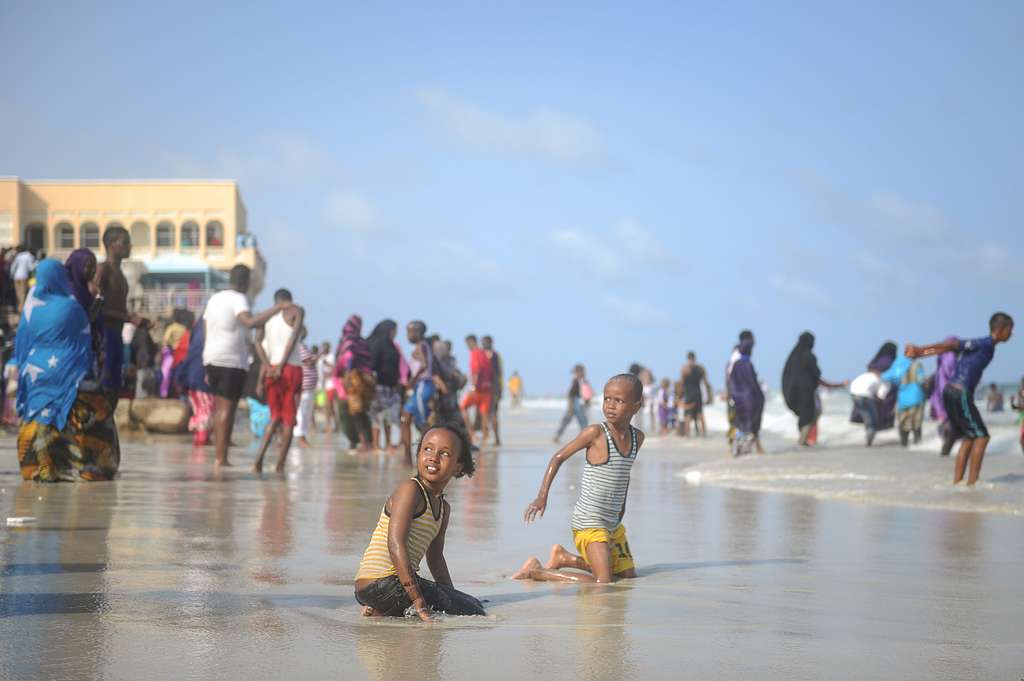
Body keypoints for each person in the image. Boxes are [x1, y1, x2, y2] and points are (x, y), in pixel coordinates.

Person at [513, 374, 645, 583]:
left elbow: (624, 474)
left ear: (636, 406)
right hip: (589, 521)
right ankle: (537, 571)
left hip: (613, 522)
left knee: (627, 575)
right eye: (606, 399)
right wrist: (541, 496)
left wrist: (623, 506)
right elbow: (558, 457)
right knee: (603, 582)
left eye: (618, 401)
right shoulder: (596, 433)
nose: (610, 405)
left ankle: (563, 557)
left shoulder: (637, 438)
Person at [354, 423, 485, 619]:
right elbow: (395, 543)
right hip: (380, 582)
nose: (433, 456)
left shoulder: (443, 508)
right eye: (427, 449)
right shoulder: (411, 490)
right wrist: (418, 601)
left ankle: (379, 609)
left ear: (459, 467)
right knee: (474, 610)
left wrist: (452, 596)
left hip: (392, 584)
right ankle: (380, 608)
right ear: (418, 455)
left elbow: (435, 558)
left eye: (445, 453)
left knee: (471, 604)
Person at [15, 260, 119, 481]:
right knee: (95, 413)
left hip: (35, 374)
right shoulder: (70, 306)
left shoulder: (30, 306)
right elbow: (83, 340)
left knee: (38, 418)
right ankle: (91, 468)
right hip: (68, 371)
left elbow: (22, 341)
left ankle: (39, 467)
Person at [905, 312, 1014, 485]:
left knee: (969, 436)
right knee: (982, 437)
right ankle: (972, 484)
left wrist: (921, 352)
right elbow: (952, 345)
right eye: (1010, 330)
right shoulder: (985, 343)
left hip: (952, 391)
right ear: (1001, 330)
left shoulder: (988, 346)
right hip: (960, 391)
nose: (1011, 334)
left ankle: (958, 483)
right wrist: (921, 351)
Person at [202, 265, 287, 467]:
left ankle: (220, 456)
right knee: (227, 408)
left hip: (212, 357)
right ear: (246, 281)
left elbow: (206, 327)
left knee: (220, 408)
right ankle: (221, 459)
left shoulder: (215, 299)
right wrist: (277, 308)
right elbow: (249, 322)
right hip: (230, 360)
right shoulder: (238, 298)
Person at [252, 288, 305, 473]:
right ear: (289, 299)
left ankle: (258, 461)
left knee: (275, 417)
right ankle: (280, 465)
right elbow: (293, 337)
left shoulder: (266, 316)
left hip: (271, 370)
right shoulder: (297, 310)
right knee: (289, 420)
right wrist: (282, 365)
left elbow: (257, 343)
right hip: (290, 368)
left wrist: (268, 366)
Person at [94, 227, 149, 403]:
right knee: (103, 387)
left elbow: (118, 309)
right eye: (125, 242)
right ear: (111, 245)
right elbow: (94, 308)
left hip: (117, 336)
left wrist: (138, 321)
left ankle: (108, 427)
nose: (129, 246)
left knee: (115, 388)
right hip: (105, 336)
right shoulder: (103, 270)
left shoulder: (121, 276)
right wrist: (129, 318)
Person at [782, 332, 846, 446]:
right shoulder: (809, 356)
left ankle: (804, 441)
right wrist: (837, 385)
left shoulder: (792, 357)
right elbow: (816, 373)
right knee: (809, 415)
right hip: (805, 393)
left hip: (791, 392)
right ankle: (802, 441)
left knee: (804, 416)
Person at [336, 314, 375, 452]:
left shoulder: (347, 341)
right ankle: (364, 442)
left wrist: (346, 377)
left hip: (351, 380)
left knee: (352, 412)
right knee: (361, 412)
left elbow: (347, 359)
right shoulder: (362, 342)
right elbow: (369, 361)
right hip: (365, 380)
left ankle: (360, 442)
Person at [401, 320, 437, 466]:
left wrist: (412, 380)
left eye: (411, 331)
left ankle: (428, 458)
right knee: (405, 419)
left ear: (420, 333)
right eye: (407, 331)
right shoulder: (421, 346)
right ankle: (408, 458)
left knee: (424, 425)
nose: (408, 335)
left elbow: (424, 365)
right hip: (420, 387)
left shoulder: (421, 346)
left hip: (423, 385)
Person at [178, 314, 213, 446]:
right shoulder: (209, 335)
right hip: (203, 378)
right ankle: (202, 441)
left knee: (200, 411)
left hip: (192, 378)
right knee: (206, 411)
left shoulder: (197, 331)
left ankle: (201, 441)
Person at [728, 331, 765, 456]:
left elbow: (731, 380)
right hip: (749, 400)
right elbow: (752, 384)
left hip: (737, 399)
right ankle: (745, 450)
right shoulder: (746, 364)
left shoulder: (736, 363)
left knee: (739, 425)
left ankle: (736, 449)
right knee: (750, 426)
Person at [368, 320, 402, 450]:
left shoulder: (391, 345)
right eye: (394, 330)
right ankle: (376, 445)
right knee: (376, 416)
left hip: (391, 387)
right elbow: (373, 365)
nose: (395, 333)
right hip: (379, 386)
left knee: (389, 416)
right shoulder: (378, 344)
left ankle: (388, 444)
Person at [851, 342, 899, 432]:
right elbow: (888, 375)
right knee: (879, 413)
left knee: (869, 414)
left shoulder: (876, 360)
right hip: (883, 388)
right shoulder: (889, 360)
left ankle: (871, 432)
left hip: (871, 388)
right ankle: (874, 430)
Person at [883, 355, 928, 446]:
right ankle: (917, 443)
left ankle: (904, 442)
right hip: (916, 396)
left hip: (902, 398)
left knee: (903, 420)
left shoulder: (898, 365)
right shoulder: (917, 365)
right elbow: (921, 380)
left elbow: (886, 377)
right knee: (916, 421)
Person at [929, 336, 960, 457]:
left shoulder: (942, 356)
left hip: (941, 393)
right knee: (952, 424)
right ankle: (945, 452)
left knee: (948, 422)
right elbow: (952, 374)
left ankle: (944, 451)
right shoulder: (951, 357)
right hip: (949, 393)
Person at [460, 335, 493, 446]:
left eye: (467, 344)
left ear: (471, 342)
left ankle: (471, 434)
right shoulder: (484, 353)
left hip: (478, 389)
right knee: (484, 413)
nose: (467, 346)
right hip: (487, 389)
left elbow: (476, 370)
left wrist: (473, 387)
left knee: (463, 407)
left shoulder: (474, 353)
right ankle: (485, 437)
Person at [679, 352, 713, 437]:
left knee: (687, 414)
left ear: (687, 358)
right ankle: (703, 433)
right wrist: (709, 396)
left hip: (689, 393)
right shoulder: (701, 368)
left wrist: (679, 396)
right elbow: (706, 383)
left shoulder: (684, 369)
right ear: (695, 358)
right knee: (700, 413)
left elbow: (682, 383)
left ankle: (687, 434)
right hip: (698, 393)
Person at [293, 331, 318, 447]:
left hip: (309, 387)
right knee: (302, 412)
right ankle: (300, 437)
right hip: (304, 386)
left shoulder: (302, 346)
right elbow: (308, 362)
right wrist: (319, 355)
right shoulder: (300, 346)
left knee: (306, 412)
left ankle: (302, 436)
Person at [554, 364, 590, 442]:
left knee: (581, 422)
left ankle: (586, 438)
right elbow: (570, 395)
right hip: (575, 403)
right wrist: (570, 407)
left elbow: (587, 394)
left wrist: (587, 403)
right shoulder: (576, 381)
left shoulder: (583, 381)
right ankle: (557, 436)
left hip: (579, 404)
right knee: (581, 421)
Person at [849, 368, 885, 446]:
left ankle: (868, 433)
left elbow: (853, 385)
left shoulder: (863, 376)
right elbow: (881, 395)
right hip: (866, 396)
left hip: (854, 395)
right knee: (873, 417)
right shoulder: (878, 379)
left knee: (865, 414)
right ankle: (870, 436)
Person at [160, 309, 189, 398]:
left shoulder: (171, 327)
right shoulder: (184, 328)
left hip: (170, 352)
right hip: (181, 354)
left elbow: (165, 339)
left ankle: (163, 394)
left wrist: (170, 344)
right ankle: (179, 394)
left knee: (166, 374)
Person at [482, 335, 503, 445]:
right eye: (483, 342)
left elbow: (497, 374)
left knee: (491, 414)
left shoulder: (493, 355)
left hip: (491, 390)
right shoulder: (486, 355)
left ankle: (495, 438)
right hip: (485, 389)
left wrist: (498, 390)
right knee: (486, 414)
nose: (483, 344)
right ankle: (489, 437)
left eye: (485, 342)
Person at [315, 341, 336, 433]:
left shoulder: (332, 357)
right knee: (324, 407)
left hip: (331, 385)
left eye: (325, 348)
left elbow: (335, 369)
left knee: (329, 406)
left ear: (328, 348)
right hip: (321, 385)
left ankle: (329, 426)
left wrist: (327, 364)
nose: (323, 349)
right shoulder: (321, 358)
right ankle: (334, 425)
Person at [10, 245, 35, 313]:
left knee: (18, 293)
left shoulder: (19, 256)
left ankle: (19, 308)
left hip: (16, 276)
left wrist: (11, 275)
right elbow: (31, 267)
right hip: (24, 276)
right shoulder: (29, 256)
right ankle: (22, 309)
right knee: (23, 293)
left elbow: (13, 266)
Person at [1010, 377, 1024, 455]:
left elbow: (1020, 407)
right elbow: (1017, 408)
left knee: (1022, 440)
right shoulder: (1020, 392)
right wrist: (1011, 402)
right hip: (1022, 418)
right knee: (1022, 440)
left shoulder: (1021, 392)